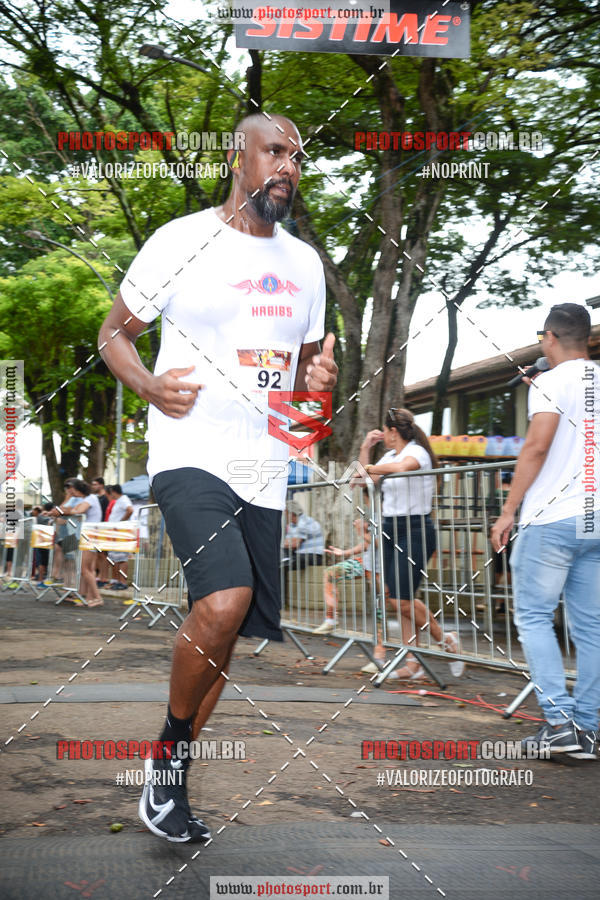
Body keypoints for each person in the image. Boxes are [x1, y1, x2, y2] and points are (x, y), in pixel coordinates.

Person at [98, 112, 337, 843]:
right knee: (224, 600)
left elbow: (302, 389)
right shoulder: (180, 240)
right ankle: (168, 758)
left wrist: (320, 381)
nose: (287, 167)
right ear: (239, 157)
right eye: (275, 152)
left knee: (226, 635)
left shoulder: (305, 266)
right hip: (187, 452)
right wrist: (147, 386)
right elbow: (114, 333)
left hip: (262, 471)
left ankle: (166, 781)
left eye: (297, 157)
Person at [491, 303, 600, 760]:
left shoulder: (552, 382)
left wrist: (508, 510)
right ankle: (588, 729)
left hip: (551, 519)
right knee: (591, 625)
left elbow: (536, 447)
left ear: (550, 337)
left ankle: (558, 723)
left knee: (534, 617)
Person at [358, 408, 464, 680]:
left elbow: (402, 469)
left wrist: (372, 468)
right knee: (399, 600)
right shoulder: (388, 455)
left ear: (393, 432)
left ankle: (445, 640)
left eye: (385, 432)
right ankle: (413, 661)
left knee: (402, 600)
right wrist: (365, 449)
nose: (383, 437)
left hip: (415, 529)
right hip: (391, 528)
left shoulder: (416, 452)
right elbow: (363, 479)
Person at [314, 516, 378, 635]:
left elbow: (380, 542)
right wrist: (344, 552)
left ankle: (382, 638)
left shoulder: (388, 513)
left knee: (394, 602)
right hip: (367, 563)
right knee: (330, 573)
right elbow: (368, 544)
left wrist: (362, 532)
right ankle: (330, 620)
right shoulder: (373, 512)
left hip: (385, 566)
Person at [47, 479, 104, 607]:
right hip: (89, 537)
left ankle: (98, 598)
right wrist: (63, 510)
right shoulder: (87, 499)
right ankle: (90, 597)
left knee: (85, 569)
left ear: (78, 489)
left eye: (71, 490)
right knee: (89, 569)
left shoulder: (90, 499)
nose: (70, 492)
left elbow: (77, 511)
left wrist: (61, 511)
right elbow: (71, 509)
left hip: (90, 537)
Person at [281, 500, 324, 572]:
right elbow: (287, 544)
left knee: (292, 561)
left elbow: (294, 544)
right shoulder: (292, 525)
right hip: (299, 555)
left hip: (313, 556)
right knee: (282, 557)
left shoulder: (305, 521)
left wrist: (286, 543)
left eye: (285, 512)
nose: (284, 515)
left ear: (291, 513)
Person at [106, 484, 133, 589]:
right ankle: (117, 581)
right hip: (115, 533)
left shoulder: (123, 499)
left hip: (121, 532)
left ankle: (122, 582)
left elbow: (130, 510)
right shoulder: (119, 501)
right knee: (114, 558)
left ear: (113, 491)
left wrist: (121, 522)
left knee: (122, 558)